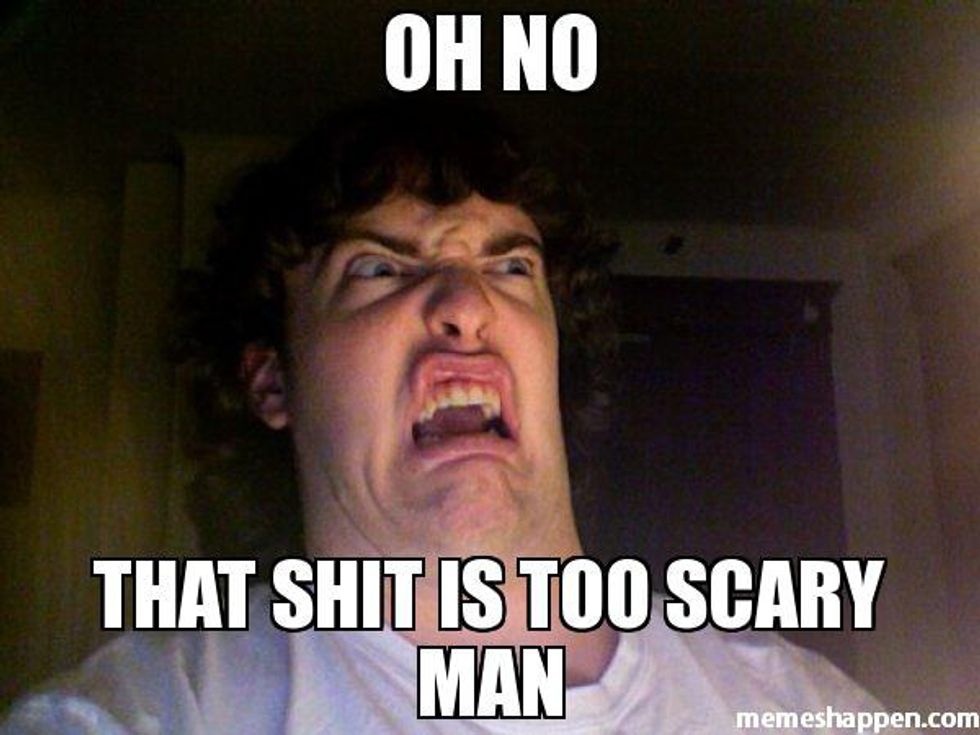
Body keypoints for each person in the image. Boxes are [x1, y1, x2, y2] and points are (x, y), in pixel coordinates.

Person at [3, 99, 894, 733]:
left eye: (511, 267)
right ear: (272, 382)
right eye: (377, 268)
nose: (467, 303)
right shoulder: (160, 709)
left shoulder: (799, 704)